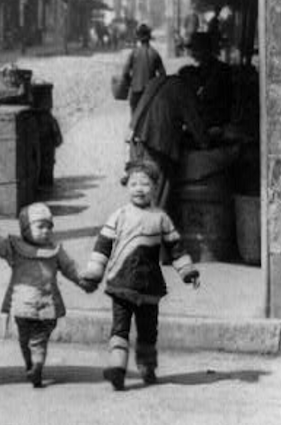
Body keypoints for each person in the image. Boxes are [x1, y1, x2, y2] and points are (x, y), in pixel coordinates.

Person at [81, 161, 200, 391]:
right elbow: (103, 246)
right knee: (120, 328)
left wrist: (187, 271)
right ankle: (117, 369)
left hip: (149, 287)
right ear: (126, 186)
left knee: (148, 331)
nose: (139, 188)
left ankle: (147, 367)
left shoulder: (161, 218)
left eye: (145, 183)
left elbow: (175, 247)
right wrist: (94, 274)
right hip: (121, 283)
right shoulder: (119, 216)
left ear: (155, 187)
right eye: (133, 183)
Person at [0, 203, 92, 388]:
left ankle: (37, 367)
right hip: (22, 305)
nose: (46, 231)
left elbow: (70, 268)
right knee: (25, 339)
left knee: (38, 338)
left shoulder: (56, 251)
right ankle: (31, 364)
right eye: (40, 226)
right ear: (26, 229)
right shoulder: (15, 248)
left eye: (49, 227)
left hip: (46, 304)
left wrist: (83, 280)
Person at [126, 72, 209, 208]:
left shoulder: (157, 82)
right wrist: (206, 142)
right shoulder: (183, 88)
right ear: (193, 83)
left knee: (141, 193)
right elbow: (195, 124)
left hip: (136, 141)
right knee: (157, 196)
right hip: (156, 146)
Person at [186, 31, 233, 131]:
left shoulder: (219, 70)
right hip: (210, 119)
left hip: (217, 122)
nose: (193, 54)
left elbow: (206, 96)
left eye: (195, 50)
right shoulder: (203, 69)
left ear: (204, 50)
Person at [120, 23, 166, 114]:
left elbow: (125, 72)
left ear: (138, 37)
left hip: (136, 92)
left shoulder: (134, 53)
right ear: (149, 37)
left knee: (135, 121)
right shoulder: (155, 54)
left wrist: (131, 82)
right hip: (150, 93)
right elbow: (163, 75)